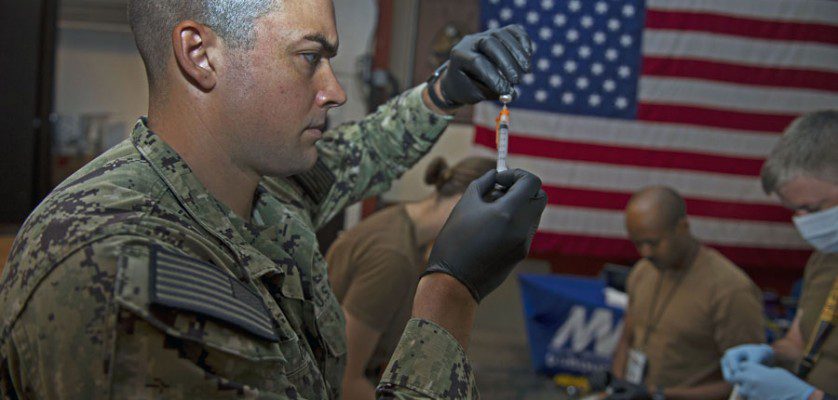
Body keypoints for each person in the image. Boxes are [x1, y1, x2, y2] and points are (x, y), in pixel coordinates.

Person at [0, 0, 548, 398]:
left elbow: (365, 150)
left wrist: (443, 92)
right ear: (201, 55)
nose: (335, 91)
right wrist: (451, 293)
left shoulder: (257, 187)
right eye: (310, 57)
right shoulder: (121, 271)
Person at [327, 156, 496, 399]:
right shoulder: (392, 257)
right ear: (463, 201)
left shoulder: (405, 224)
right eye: (484, 225)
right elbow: (344, 379)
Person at [721, 110, 838, 400]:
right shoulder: (825, 257)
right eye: (794, 209)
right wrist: (768, 357)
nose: (802, 220)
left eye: (812, 209)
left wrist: (806, 397)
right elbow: (800, 344)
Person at [609, 186, 765, 400]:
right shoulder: (643, 271)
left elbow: (748, 383)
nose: (645, 252)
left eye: (653, 243)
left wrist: (658, 394)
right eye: (637, 243)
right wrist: (618, 382)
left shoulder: (730, 290)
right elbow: (628, 338)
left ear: (683, 227)